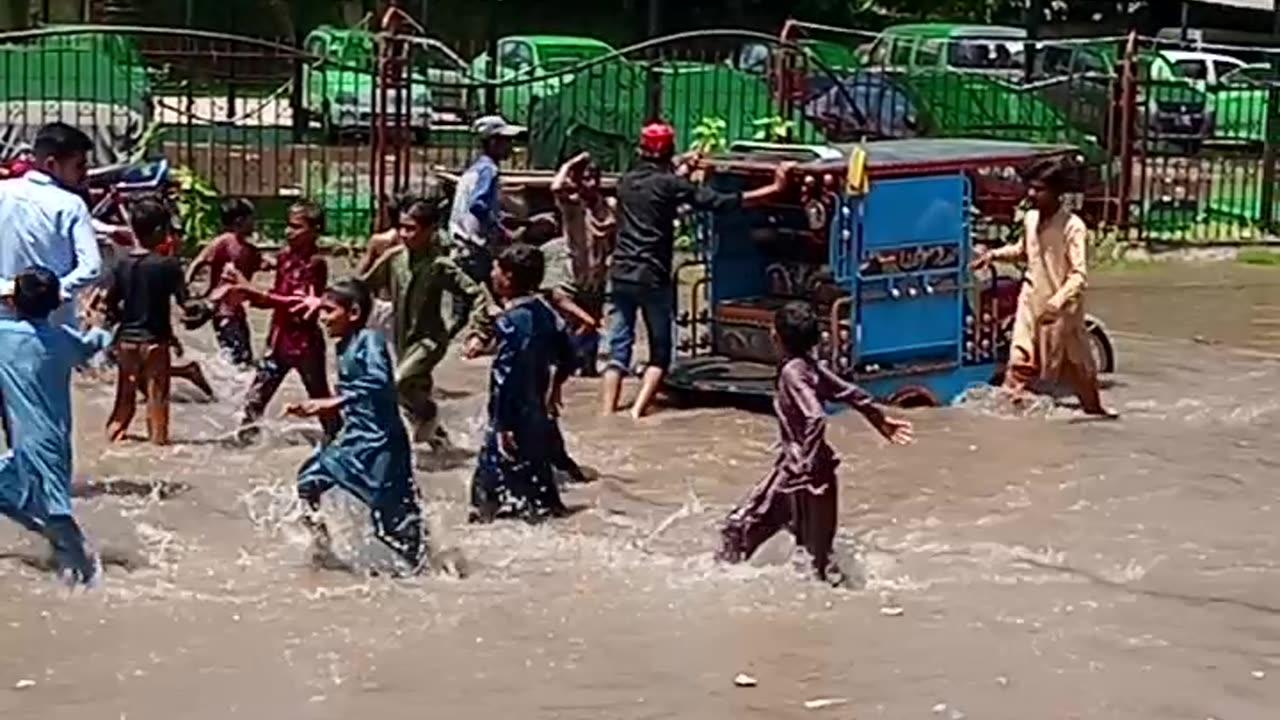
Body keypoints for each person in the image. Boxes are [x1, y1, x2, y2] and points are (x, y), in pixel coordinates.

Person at [603, 122, 794, 419]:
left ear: (640, 150)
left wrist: (681, 166)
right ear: (669, 151)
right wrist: (774, 189)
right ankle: (637, 414)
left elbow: (662, 182)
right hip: (652, 276)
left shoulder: (626, 182)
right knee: (660, 352)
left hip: (619, 273)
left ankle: (606, 414)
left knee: (617, 350)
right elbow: (721, 202)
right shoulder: (671, 184)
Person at [717, 301, 913, 584]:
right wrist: (879, 420)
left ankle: (725, 587)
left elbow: (816, 417)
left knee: (740, 531)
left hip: (799, 474)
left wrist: (804, 464)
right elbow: (852, 393)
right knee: (815, 561)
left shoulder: (792, 373)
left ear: (776, 336)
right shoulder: (810, 367)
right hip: (811, 474)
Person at [284, 279, 426, 573]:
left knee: (393, 520)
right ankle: (322, 549)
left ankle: (425, 572)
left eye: (329, 311)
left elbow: (381, 381)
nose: (322, 317)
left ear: (354, 313)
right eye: (321, 310)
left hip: (381, 442)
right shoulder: (344, 343)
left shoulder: (369, 340)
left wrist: (332, 402)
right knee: (308, 481)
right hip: (355, 438)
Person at [972, 158, 1115, 417]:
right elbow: (1023, 250)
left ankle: (1097, 415)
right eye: (1031, 188)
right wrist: (992, 255)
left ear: (1057, 193)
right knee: (1018, 361)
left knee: (1080, 371)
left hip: (1062, 310)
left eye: (1039, 189)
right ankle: (1005, 421)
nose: (1032, 194)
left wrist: (1057, 303)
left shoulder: (1073, 227)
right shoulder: (1030, 219)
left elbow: (1078, 275)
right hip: (1030, 299)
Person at [0, 267, 112, 585]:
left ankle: (85, 573)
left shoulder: (4, 336)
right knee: (49, 509)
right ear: (54, 306)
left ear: (12, 302)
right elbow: (95, 343)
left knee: (58, 513)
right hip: (49, 441)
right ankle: (60, 547)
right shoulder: (64, 340)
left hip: (34, 443)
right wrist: (98, 319)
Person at [362, 196, 492, 449]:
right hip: (403, 340)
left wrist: (478, 331)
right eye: (401, 226)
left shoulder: (439, 266)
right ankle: (441, 442)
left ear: (430, 230)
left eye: (411, 228)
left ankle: (431, 415)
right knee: (411, 393)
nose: (404, 234)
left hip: (430, 340)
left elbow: (476, 294)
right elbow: (363, 285)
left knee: (398, 383)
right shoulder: (394, 258)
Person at [470, 244, 576, 524]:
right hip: (537, 412)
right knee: (541, 491)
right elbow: (568, 353)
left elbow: (503, 377)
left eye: (496, 269)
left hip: (512, 416)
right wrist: (555, 388)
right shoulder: (545, 312)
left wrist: (503, 425)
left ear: (508, 277)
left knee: (486, 494)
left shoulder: (513, 323)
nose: (491, 274)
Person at [101, 198, 211, 446]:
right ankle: (158, 450)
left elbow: (110, 305)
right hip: (154, 344)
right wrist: (208, 306)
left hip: (127, 342)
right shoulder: (169, 265)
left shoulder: (122, 264)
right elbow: (187, 305)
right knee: (157, 401)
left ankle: (111, 441)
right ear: (160, 231)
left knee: (124, 401)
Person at [228, 200, 339, 444]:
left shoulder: (315, 263)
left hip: (304, 343)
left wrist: (258, 295)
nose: (288, 232)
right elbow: (280, 294)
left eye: (296, 227)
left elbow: (297, 302)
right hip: (278, 339)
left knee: (319, 398)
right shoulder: (284, 257)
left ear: (314, 230)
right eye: (288, 226)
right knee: (255, 399)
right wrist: (254, 297)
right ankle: (244, 447)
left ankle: (340, 442)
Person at [0, 122, 101, 330]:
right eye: (79, 165)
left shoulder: (3, 192)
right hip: (53, 321)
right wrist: (56, 290)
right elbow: (92, 267)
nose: (85, 173)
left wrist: (6, 288)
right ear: (51, 164)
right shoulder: (71, 205)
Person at [448, 115, 523, 331]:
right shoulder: (489, 170)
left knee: (473, 304)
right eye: (505, 140)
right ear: (492, 142)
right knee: (495, 296)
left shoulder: (474, 169)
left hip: (463, 245)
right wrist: (500, 230)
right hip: (475, 247)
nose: (510, 146)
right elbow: (478, 205)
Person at [551, 151, 617, 376]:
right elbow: (556, 187)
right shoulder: (572, 207)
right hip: (572, 278)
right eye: (586, 178)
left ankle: (586, 374)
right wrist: (570, 164)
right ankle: (562, 369)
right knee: (570, 328)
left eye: (595, 178)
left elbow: (614, 238)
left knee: (591, 337)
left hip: (596, 280)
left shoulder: (607, 207)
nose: (591, 183)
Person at [185, 198, 265, 368]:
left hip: (236, 310)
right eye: (252, 219)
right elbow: (199, 261)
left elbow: (263, 263)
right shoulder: (224, 241)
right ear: (239, 221)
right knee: (236, 355)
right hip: (222, 309)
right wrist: (185, 290)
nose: (254, 223)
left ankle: (232, 382)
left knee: (242, 354)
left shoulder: (249, 249)